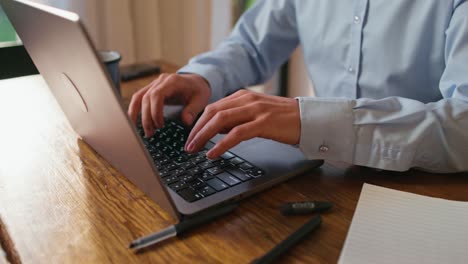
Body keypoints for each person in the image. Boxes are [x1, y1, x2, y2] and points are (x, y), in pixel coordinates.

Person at [128, 0, 468, 173]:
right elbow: (251, 44)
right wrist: (200, 78)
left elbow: (463, 123)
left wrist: (310, 120)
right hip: (328, 175)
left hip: (429, 191)